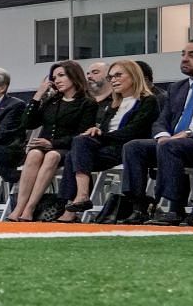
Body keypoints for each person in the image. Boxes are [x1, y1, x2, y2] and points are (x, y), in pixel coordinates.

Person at [117, 39, 193, 223]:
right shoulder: (177, 88)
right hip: (172, 143)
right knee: (134, 147)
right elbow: (161, 121)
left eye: (192, 55)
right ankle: (138, 206)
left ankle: (174, 207)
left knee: (171, 147)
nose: (184, 59)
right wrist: (162, 135)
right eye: (183, 54)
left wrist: (189, 133)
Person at [60, 59, 157, 221]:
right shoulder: (113, 104)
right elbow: (105, 130)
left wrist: (101, 135)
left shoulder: (148, 101)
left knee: (76, 150)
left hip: (129, 148)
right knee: (79, 143)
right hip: (107, 148)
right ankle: (77, 199)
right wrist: (97, 131)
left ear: (133, 76)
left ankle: (75, 203)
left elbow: (134, 131)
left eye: (118, 75)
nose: (113, 80)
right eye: (111, 77)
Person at [6, 61, 94, 221]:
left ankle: (30, 207)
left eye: (62, 75)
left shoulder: (87, 103)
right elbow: (27, 123)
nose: (57, 80)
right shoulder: (52, 101)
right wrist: (38, 96)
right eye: (54, 77)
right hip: (44, 147)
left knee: (52, 155)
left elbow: (82, 134)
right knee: (33, 154)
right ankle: (19, 207)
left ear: (74, 76)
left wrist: (53, 144)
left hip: (67, 147)